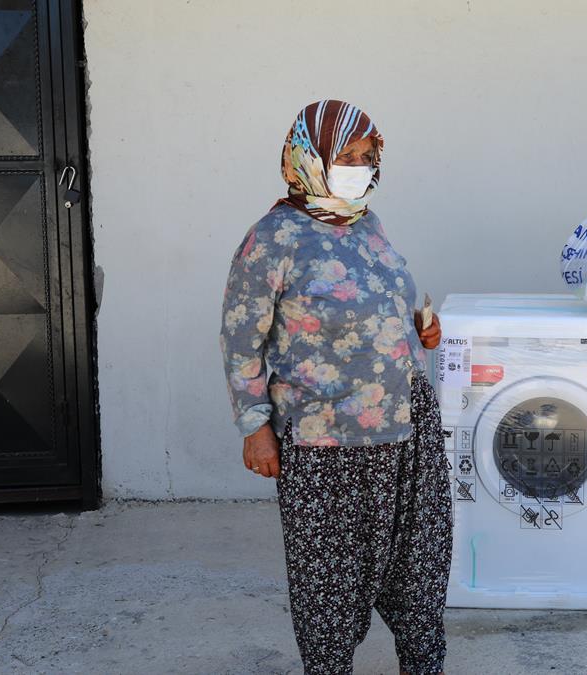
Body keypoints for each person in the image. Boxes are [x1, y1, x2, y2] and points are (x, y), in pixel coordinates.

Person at [220, 100, 451, 675]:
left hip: (408, 427)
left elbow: (379, 300)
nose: (361, 167)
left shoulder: (367, 222)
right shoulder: (273, 238)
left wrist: (417, 331)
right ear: (309, 158)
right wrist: (256, 429)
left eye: (369, 157)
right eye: (346, 157)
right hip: (326, 440)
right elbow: (240, 340)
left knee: (418, 564)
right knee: (330, 578)